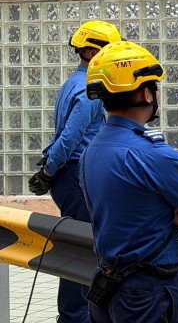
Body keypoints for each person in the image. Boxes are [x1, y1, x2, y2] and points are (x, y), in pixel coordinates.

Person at [80, 41, 178, 323]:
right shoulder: (148, 153)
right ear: (145, 93)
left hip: (107, 282)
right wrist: (176, 215)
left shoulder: (93, 148)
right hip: (146, 291)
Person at [28, 20, 121, 322]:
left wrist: (50, 169)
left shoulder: (73, 82)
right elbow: (70, 137)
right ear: (99, 53)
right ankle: (73, 316)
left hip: (70, 176)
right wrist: (50, 171)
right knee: (81, 252)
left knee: (79, 248)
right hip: (76, 177)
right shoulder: (89, 91)